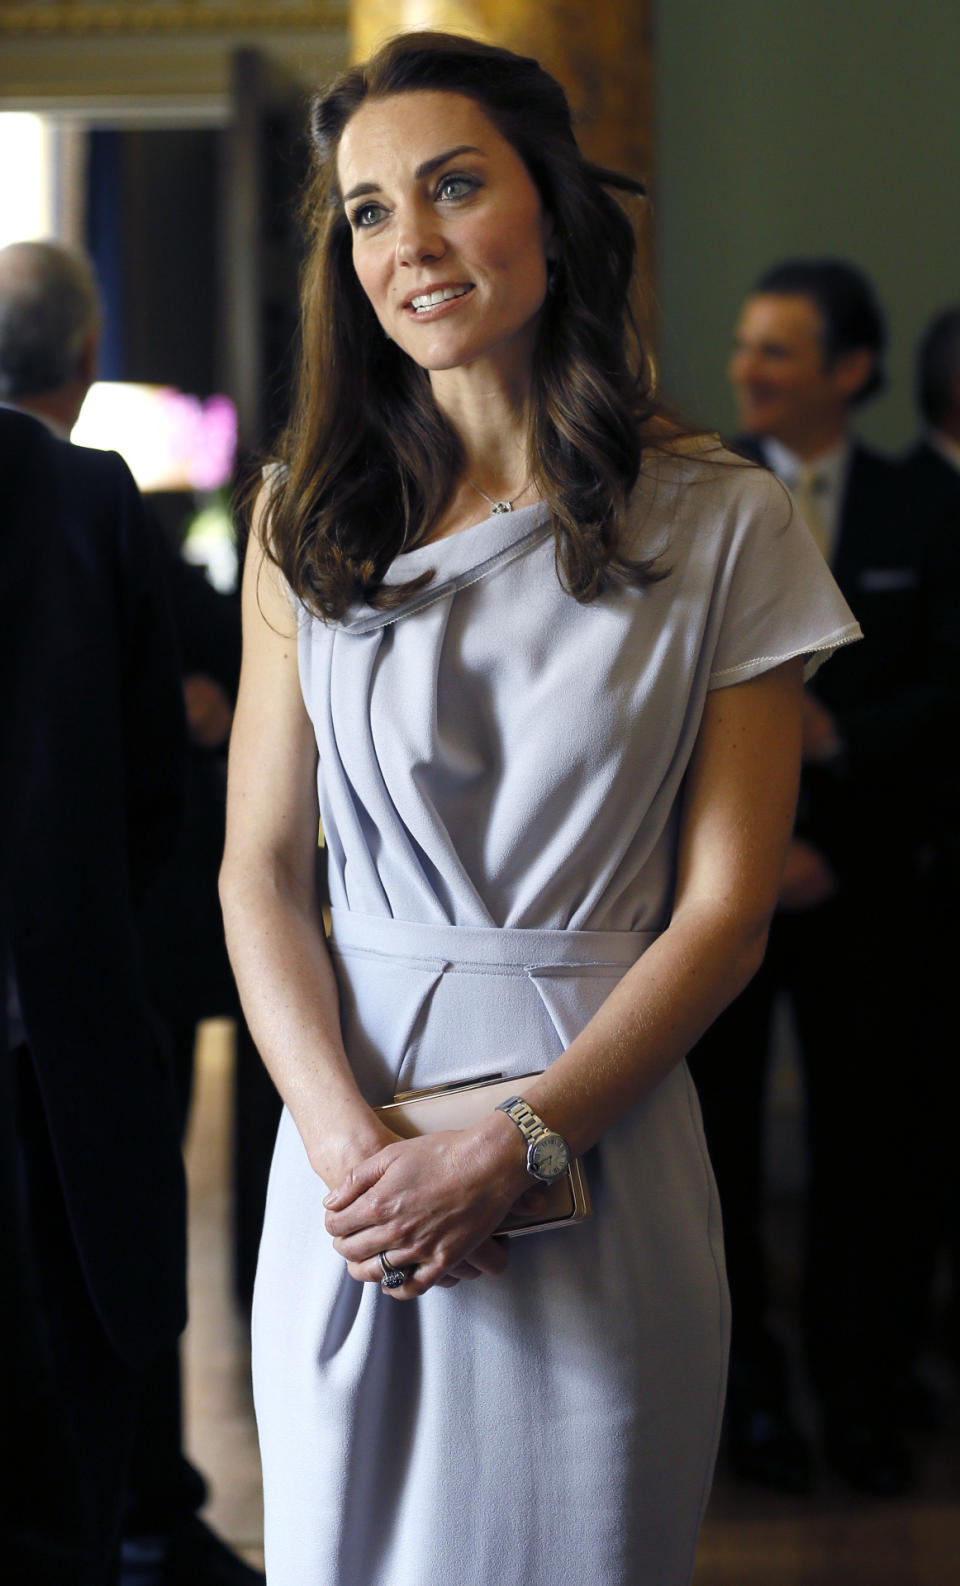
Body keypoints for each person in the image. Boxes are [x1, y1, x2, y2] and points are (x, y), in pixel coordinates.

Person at [219, 33, 858, 1585]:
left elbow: (729, 905)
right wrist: (348, 1154)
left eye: (453, 188)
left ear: (555, 214)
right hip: (346, 1174)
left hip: (598, 1149)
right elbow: (260, 866)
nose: (409, 243)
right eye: (368, 211)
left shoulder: (725, 521)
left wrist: (516, 1144)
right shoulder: (306, 515)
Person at [0, 239, 262, 1586]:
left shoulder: (92, 500)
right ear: (87, 356)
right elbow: (157, 784)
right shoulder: (91, 501)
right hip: (77, 1018)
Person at [689, 259, 956, 1496]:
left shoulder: (927, 505)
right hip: (721, 898)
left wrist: (840, 751)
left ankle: (859, 1394)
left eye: (777, 353)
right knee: (719, 1157)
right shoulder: (699, 499)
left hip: (871, 885)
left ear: (850, 372)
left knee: (874, 1154)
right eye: (748, 350)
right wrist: (751, 848)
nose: (748, 372)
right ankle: (745, 1406)